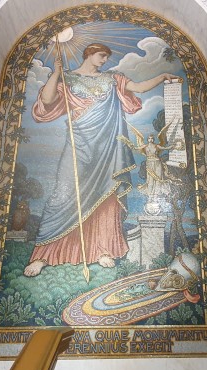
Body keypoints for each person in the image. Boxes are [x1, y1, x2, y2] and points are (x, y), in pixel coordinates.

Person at [24, 43, 178, 277]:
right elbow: (46, 100)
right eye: (102, 55)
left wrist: (162, 76)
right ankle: (44, 255)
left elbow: (139, 87)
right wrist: (56, 72)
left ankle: (103, 249)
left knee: (107, 197)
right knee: (62, 194)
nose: (105, 60)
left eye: (106, 57)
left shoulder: (112, 79)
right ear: (89, 54)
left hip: (107, 147)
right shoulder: (68, 79)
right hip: (79, 144)